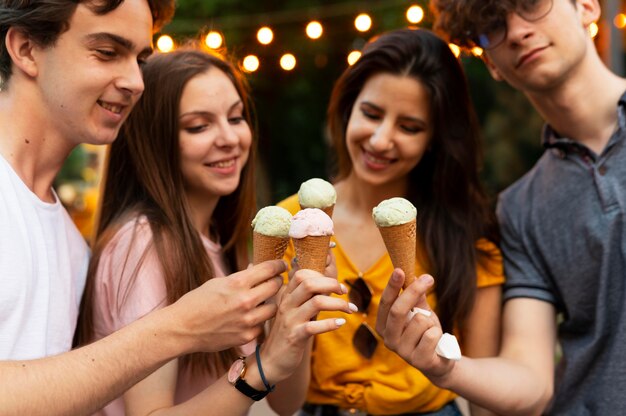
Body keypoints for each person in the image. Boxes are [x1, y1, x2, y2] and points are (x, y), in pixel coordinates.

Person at [0, 1, 288, 414]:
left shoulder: (69, 241)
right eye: (107, 52)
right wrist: (180, 327)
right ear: (27, 49)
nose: (136, 81)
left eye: (140, 58)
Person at [377, 0, 626, 414]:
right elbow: (532, 380)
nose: (516, 31)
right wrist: (444, 366)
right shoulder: (519, 210)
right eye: (492, 26)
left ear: (586, 6)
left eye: (531, 4)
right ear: (491, 63)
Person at [75, 45, 351, 416]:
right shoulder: (145, 245)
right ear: (155, 140)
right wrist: (260, 369)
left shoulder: (221, 241)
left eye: (236, 118)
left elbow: (286, 403)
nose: (229, 138)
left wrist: (299, 317)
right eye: (199, 125)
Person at [278, 28, 504, 416]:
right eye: (371, 113)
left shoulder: (466, 234)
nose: (382, 140)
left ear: (435, 137)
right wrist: (303, 314)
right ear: (348, 109)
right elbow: (284, 404)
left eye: (410, 127)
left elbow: (486, 399)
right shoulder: (292, 225)